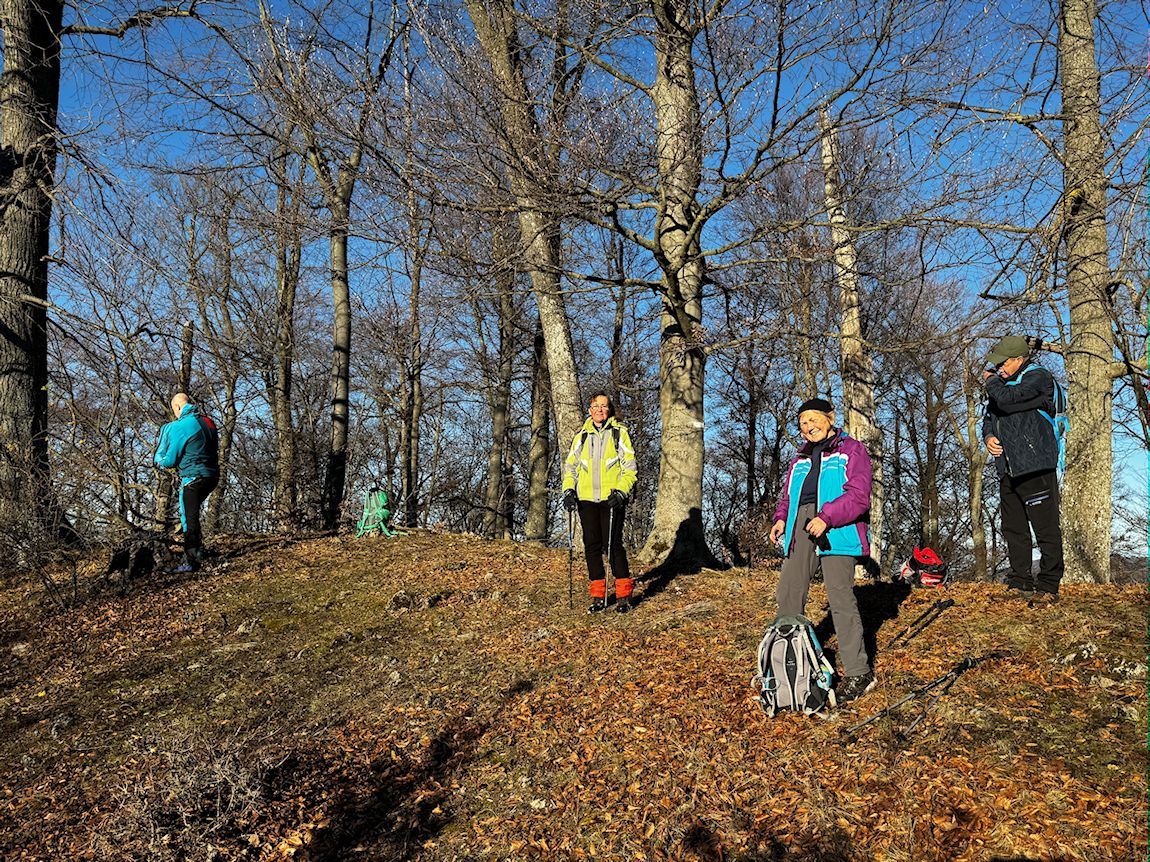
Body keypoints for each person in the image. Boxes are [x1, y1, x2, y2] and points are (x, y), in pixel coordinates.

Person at [767, 398, 876, 704]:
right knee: (788, 593)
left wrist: (826, 517)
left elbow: (859, 497)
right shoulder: (799, 458)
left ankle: (859, 672)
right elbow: (789, 496)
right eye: (802, 423)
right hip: (800, 523)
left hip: (836, 527)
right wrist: (780, 519)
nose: (808, 427)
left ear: (830, 418)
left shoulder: (852, 450)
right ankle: (786, 667)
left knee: (839, 596)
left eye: (814, 419)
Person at [981, 335, 1064, 605]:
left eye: (1002, 364)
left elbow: (1008, 400)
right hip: (1008, 466)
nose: (999, 369)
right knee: (1013, 527)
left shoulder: (1038, 377)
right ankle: (1019, 581)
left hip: (1035, 463)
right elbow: (991, 416)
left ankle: (1049, 585)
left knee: (1045, 527)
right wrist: (989, 437)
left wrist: (991, 381)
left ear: (1019, 358)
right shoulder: (1002, 384)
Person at [562, 392, 638, 614]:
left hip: (611, 500)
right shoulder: (581, 436)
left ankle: (623, 594)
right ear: (590, 409)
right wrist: (568, 490)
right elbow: (571, 467)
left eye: (604, 406)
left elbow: (630, 468)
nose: (600, 410)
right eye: (596, 406)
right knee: (592, 547)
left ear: (609, 409)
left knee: (613, 545)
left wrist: (622, 492)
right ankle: (598, 595)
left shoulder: (619, 434)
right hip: (586, 499)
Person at [154, 392, 220, 573]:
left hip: (193, 478)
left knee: (188, 518)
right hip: (212, 476)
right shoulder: (209, 422)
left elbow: (170, 461)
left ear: (177, 407)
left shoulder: (180, 426)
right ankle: (197, 552)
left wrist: (159, 459)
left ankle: (192, 561)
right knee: (192, 514)